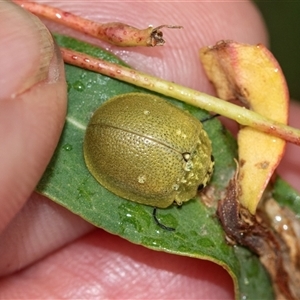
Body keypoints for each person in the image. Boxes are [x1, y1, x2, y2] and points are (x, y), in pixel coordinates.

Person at [0, 1, 299, 298]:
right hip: (114, 129)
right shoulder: (168, 185)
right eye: (209, 164)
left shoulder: (190, 138)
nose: (208, 172)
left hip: (124, 125)